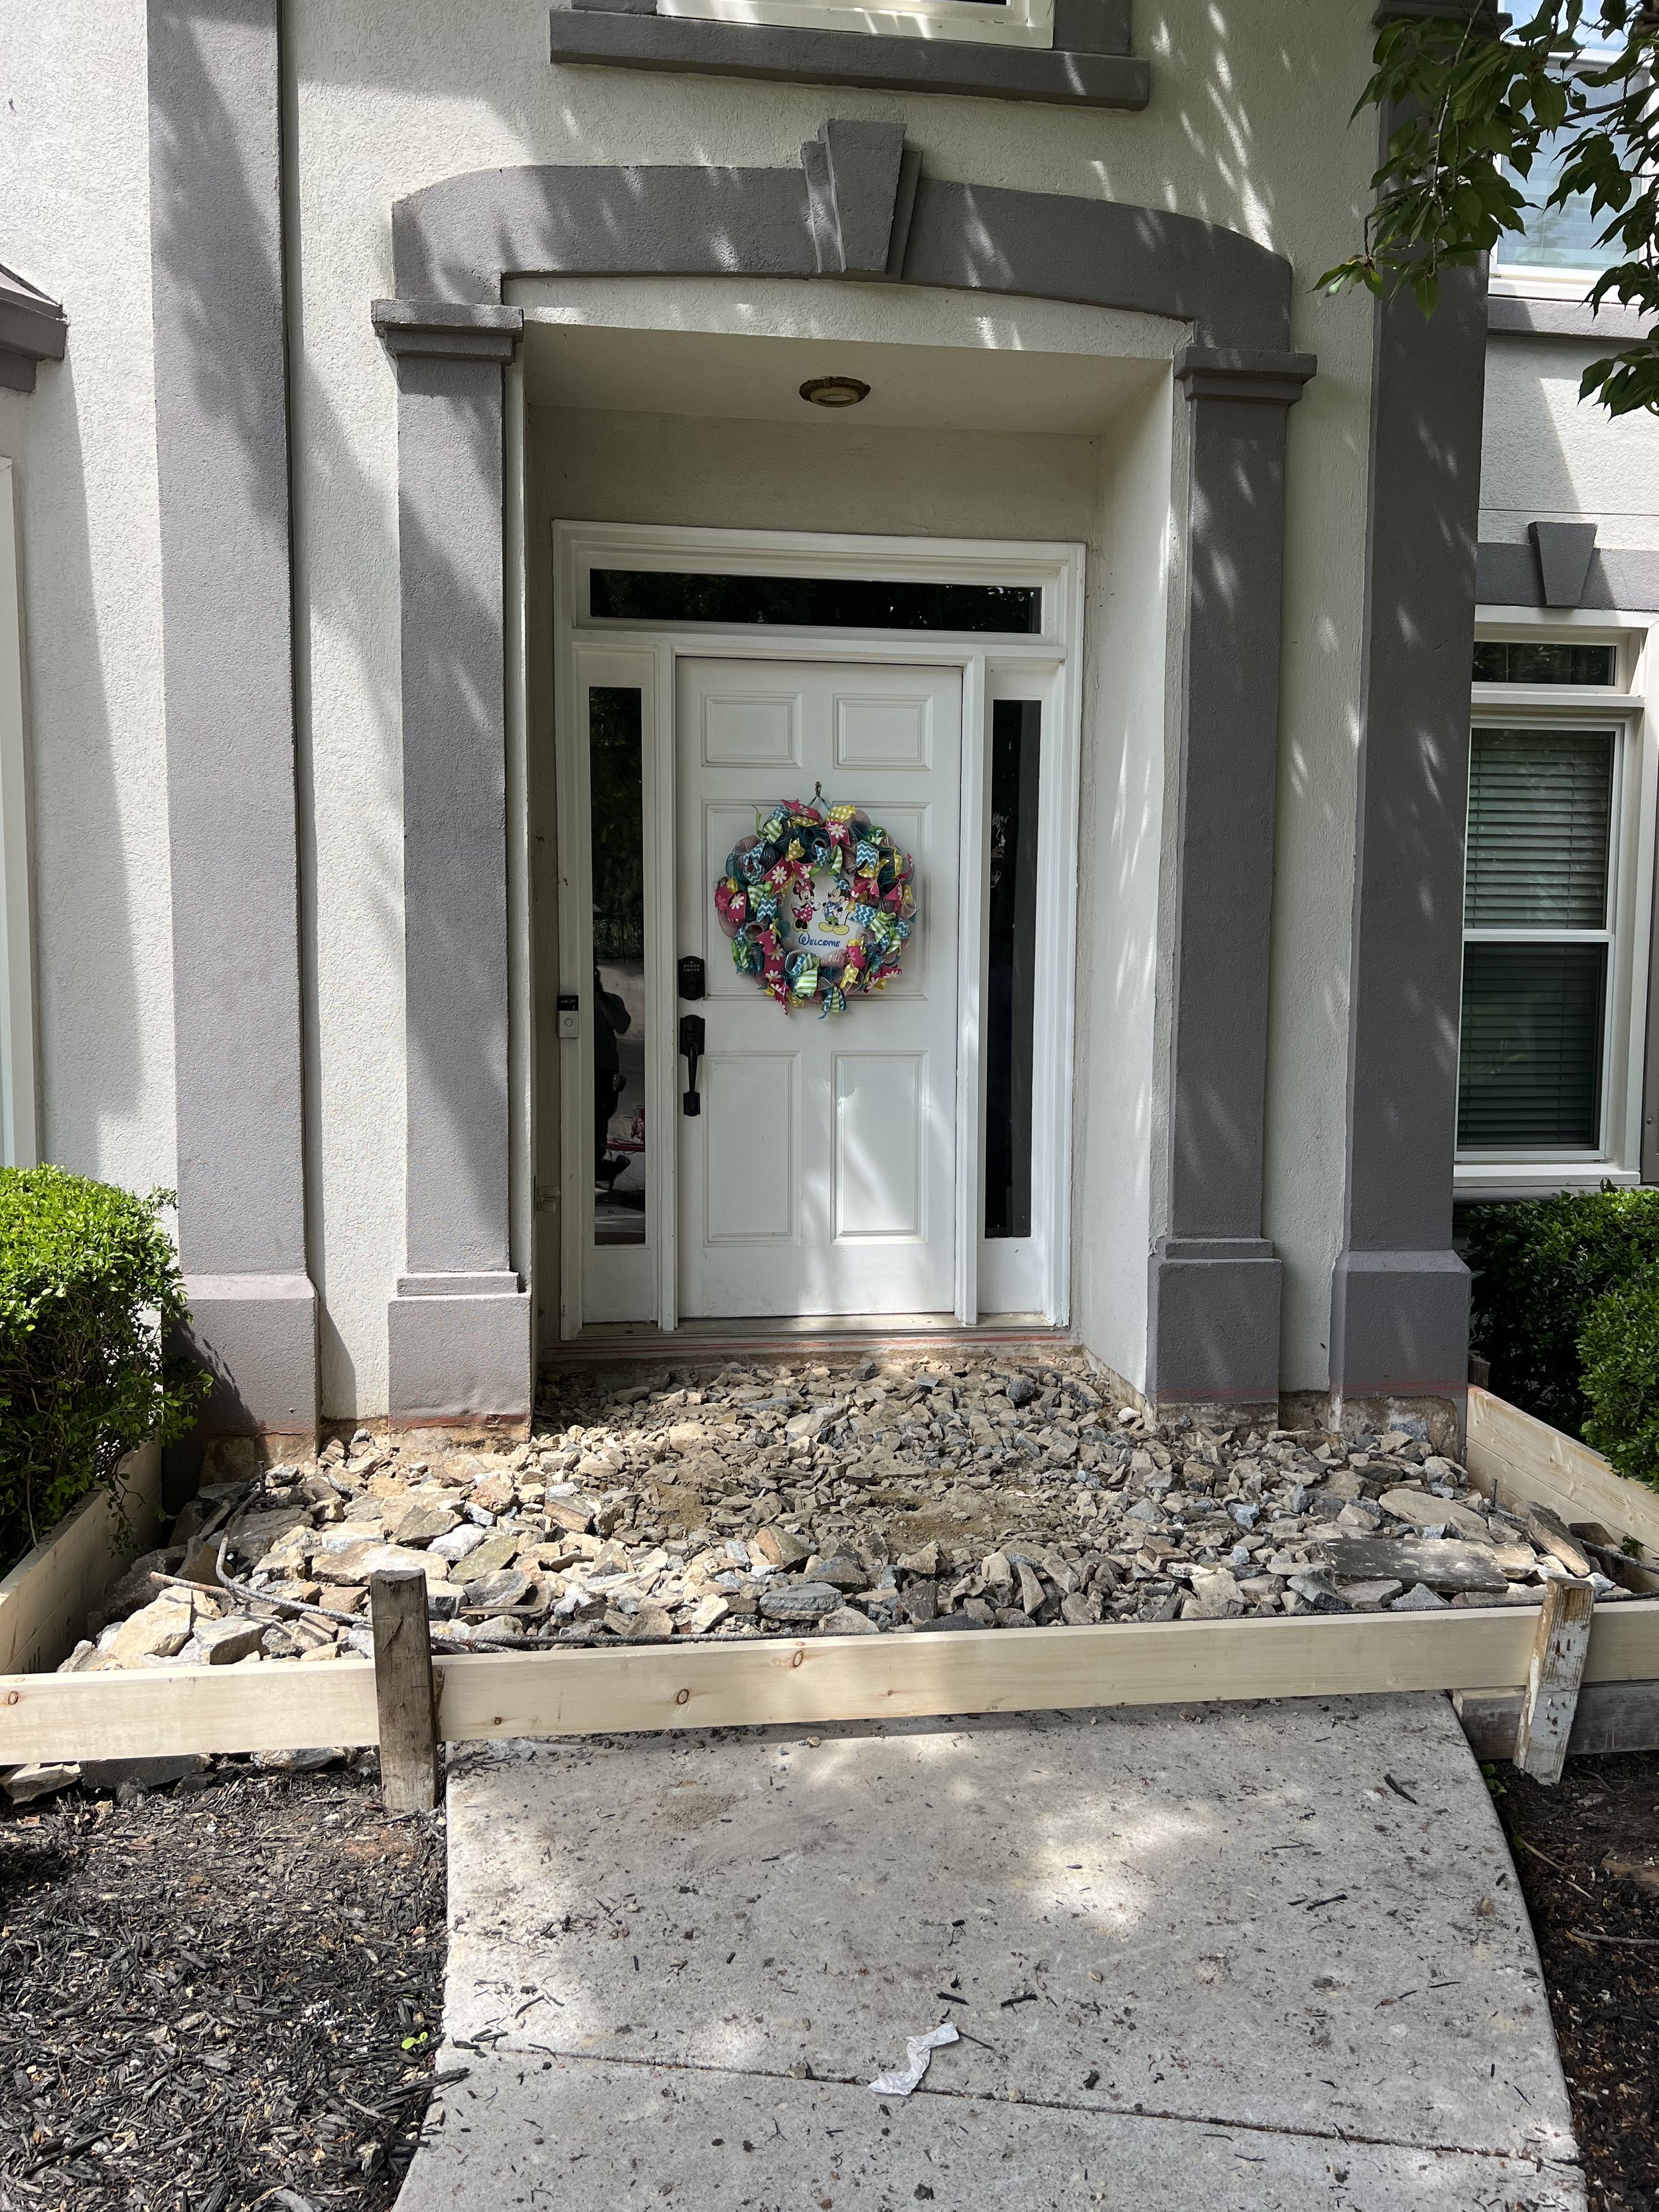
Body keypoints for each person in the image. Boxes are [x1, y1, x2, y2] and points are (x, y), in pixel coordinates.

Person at [593, 965, 632, 1188]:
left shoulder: (611, 1000)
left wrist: (600, 995)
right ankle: (595, 1168)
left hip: (605, 1073)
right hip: (583, 1072)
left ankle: (598, 1167)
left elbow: (622, 1025)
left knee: (601, 1121)